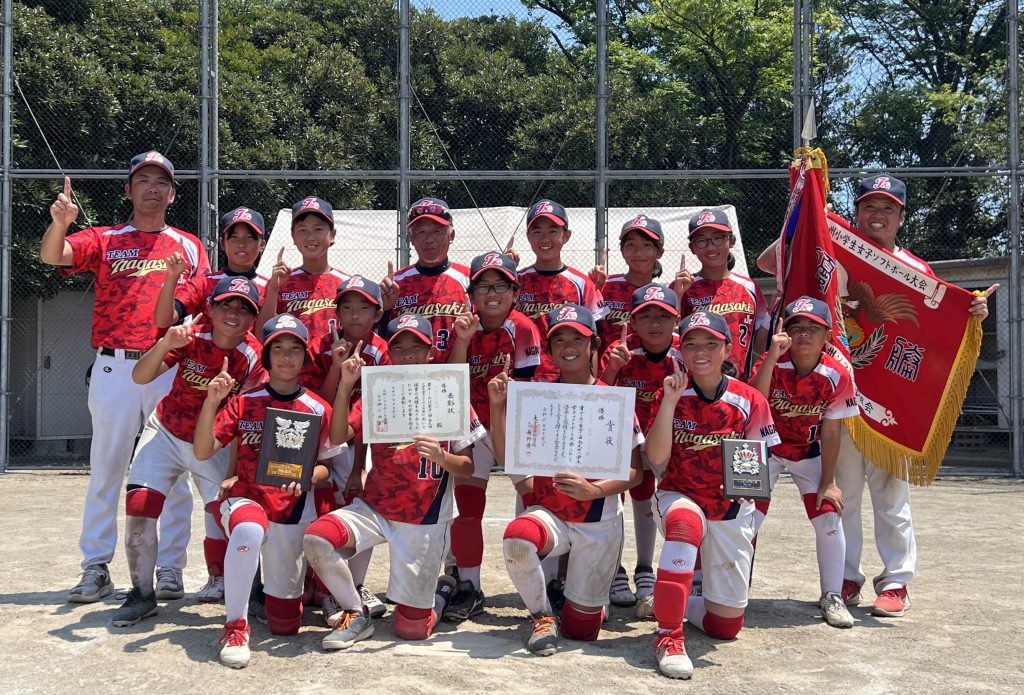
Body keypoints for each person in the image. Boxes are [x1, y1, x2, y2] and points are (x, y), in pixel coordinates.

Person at [39, 152, 210, 603]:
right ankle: (95, 566)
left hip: (169, 367)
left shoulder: (188, 245)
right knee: (107, 468)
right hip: (114, 365)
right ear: (128, 190)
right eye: (142, 180)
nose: (152, 188)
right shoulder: (106, 238)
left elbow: (197, 304)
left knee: (172, 471)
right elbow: (53, 254)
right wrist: (61, 221)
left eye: (161, 182)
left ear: (172, 194)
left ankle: (170, 568)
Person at [831, 175, 992, 616]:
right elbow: (773, 262)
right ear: (856, 212)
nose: (877, 215)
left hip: (890, 401)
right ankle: (845, 577)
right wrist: (803, 218)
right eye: (868, 206)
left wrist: (970, 312)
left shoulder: (917, 271)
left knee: (890, 496)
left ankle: (896, 582)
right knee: (842, 492)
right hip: (843, 394)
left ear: (901, 216)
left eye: (887, 208)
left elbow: (937, 332)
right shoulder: (834, 249)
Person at [303, 313, 485, 649]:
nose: (408, 355)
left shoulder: (450, 391)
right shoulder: (380, 390)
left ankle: (440, 594)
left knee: (412, 629)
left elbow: (468, 468)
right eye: (400, 348)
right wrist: (345, 385)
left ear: (431, 353)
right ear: (390, 353)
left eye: (417, 348)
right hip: (375, 506)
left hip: (424, 518)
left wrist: (443, 458)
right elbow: (340, 433)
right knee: (317, 539)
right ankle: (355, 612)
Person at [488, 304, 643, 657]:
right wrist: (498, 406)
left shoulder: (611, 399)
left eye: (578, 338)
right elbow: (505, 457)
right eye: (560, 339)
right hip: (552, 513)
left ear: (594, 345)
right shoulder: (539, 397)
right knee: (517, 538)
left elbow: (636, 473)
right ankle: (541, 615)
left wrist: (595, 490)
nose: (568, 346)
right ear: (550, 347)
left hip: (598, 521)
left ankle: (587, 602)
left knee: (581, 633)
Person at [110, 277, 265, 627]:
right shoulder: (192, 335)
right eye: (226, 304)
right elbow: (139, 376)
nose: (234, 313)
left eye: (244, 309)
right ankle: (142, 594)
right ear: (210, 308)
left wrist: (235, 470)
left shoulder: (253, 356)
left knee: (233, 515)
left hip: (211, 442)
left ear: (253, 318)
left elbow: (247, 418)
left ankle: (253, 591)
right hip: (166, 430)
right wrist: (166, 341)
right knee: (140, 508)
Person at [194, 313, 340, 668]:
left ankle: (290, 592)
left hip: (292, 508)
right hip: (248, 498)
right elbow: (202, 451)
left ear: (305, 357)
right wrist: (212, 400)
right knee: (247, 527)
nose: (286, 357)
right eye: (278, 349)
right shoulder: (245, 400)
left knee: (285, 624)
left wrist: (308, 478)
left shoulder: (317, 407)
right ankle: (235, 626)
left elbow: (327, 465)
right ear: (267, 355)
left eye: (294, 349)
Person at [644, 311, 781, 679]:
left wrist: (750, 520)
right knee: (685, 525)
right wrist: (670, 402)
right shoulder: (670, 393)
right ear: (681, 350)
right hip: (679, 495)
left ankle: (682, 602)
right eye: (690, 343)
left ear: (727, 350)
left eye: (710, 343)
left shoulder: (749, 400)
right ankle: (668, 634)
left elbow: (758, 469)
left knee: (726, 627)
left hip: (728, 507)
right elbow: (656, 458)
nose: (700, 351)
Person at [749, 296, 858, 628]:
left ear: (827, 336)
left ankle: (832, 595)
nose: (804, 336)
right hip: (763, 449)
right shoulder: (773, 362)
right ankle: (730, 588)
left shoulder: (836, 373)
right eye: (796, 327)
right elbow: (753, 401)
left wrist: (828, 481)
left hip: (808, 452)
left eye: (814, 329)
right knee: (743, 517)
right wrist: (770, 357)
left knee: (828, 516)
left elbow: (832, 430)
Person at [445, 251, 541, 621]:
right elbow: (453, 380)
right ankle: (469, 586)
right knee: (468, 510)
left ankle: (546, 581)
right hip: (472, 427)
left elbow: (528, 391)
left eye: (501, 285)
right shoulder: (464, 325)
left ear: (515, 292)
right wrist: (463, 340)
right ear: (471, 292)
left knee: (535, 498)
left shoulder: (523, 326)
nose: (493, 293)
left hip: (513, 424)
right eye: (484, 285)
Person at [305, 275, 391, 621]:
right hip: (318, 433)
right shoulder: (322, 343)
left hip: (355, 438)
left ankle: (354, 585)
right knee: (318, 506)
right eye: (348, 307)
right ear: (337, 311)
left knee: (361, 501)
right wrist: (335, 369)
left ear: (377, 312)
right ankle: (322, 586)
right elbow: (315, 404)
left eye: (363, 308)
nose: (355, 315)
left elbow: (372, 414)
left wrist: (358, 467)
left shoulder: (381, 350)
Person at [599, 283, 683, 614]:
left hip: (670, 438)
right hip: (625, 437)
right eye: (645, 316)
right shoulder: (620, 350)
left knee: (654, 499)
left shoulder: (683, 352)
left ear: (676, 321)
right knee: (620, 495)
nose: (654, 323)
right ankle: (617, 571)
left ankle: (645, 570)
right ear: (632, 323)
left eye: (663, 316)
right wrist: (612, 369)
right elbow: (598, 398)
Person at [515, 200, 607, 382]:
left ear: (566, 236)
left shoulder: (583, 284)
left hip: (570, 382)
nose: (545, 239)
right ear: (528, 236)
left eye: (553, 230)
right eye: (537, 231)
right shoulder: (516, 282)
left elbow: (594, 342)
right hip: (525, 381)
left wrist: (590, 385)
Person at [679, 209, 769, 380]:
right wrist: (677, 295)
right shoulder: (684, 287)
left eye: (718, 238)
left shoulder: (749, 287)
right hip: (693, 389)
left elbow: (760, 344)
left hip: (740, 388)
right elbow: (672, 338)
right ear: (692, 248)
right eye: (701, 241)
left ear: (732, 240)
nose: (711, 246)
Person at [379, 196, 470, 364]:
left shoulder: (470, 280)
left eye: (437, 231)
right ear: (411, 238)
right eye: (421, 232)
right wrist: (384, 309)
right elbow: (380, 338)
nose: (429, 240)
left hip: (458, 378)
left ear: (452, 235)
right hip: (407, 378)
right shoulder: (395, 284)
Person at [155, 206, 268, 330]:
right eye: (234, 237)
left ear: (262, 245)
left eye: (250, 237)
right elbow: (163, 321)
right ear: (223, 243)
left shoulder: (269, 288)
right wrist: (172, 276)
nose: (241, 244)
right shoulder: (203, 283)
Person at [256, 196, 349, 347]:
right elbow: (261, 337)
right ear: (293, 236)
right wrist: (273, 289)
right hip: (292, 368)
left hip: (336, 366)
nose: (310, 237)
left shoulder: (346, 284)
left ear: (332, 234)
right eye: (302, 230)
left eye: (318, 229)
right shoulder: (281, 282)